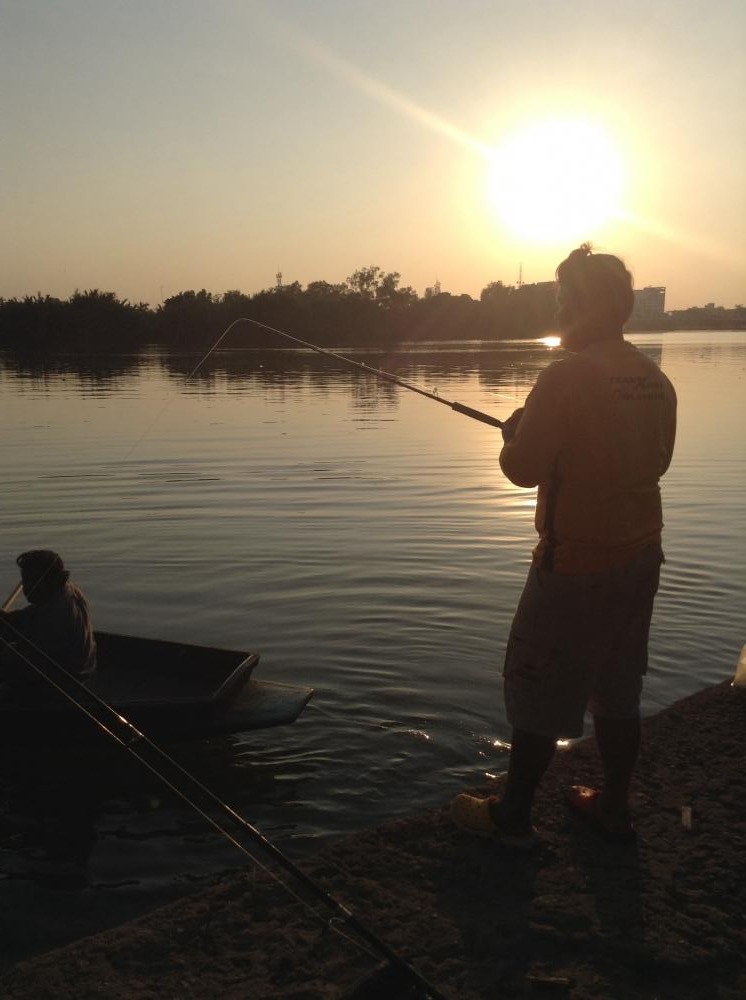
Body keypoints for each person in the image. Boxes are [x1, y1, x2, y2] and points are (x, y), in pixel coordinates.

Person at [450, 244, 677, 849]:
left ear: (581, 304)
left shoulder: (565, 375)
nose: (558, 307)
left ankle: (514, 817)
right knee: (618, 688)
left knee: (537, 687)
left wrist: (514, 436)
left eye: (562, 298)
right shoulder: (655, 379)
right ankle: (614, 807)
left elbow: (523, 470)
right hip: (640, 557)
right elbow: (658, 461)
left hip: (574, 565)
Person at [0, 550, 96, 695]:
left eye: (30, 580)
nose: (25, 587)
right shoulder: (64, 590)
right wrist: (7, 619)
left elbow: (39, 662)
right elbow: (31, 616)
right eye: (24, 580)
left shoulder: (57, 613)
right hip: (75, 666)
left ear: (50, 579)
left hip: (63, 679)